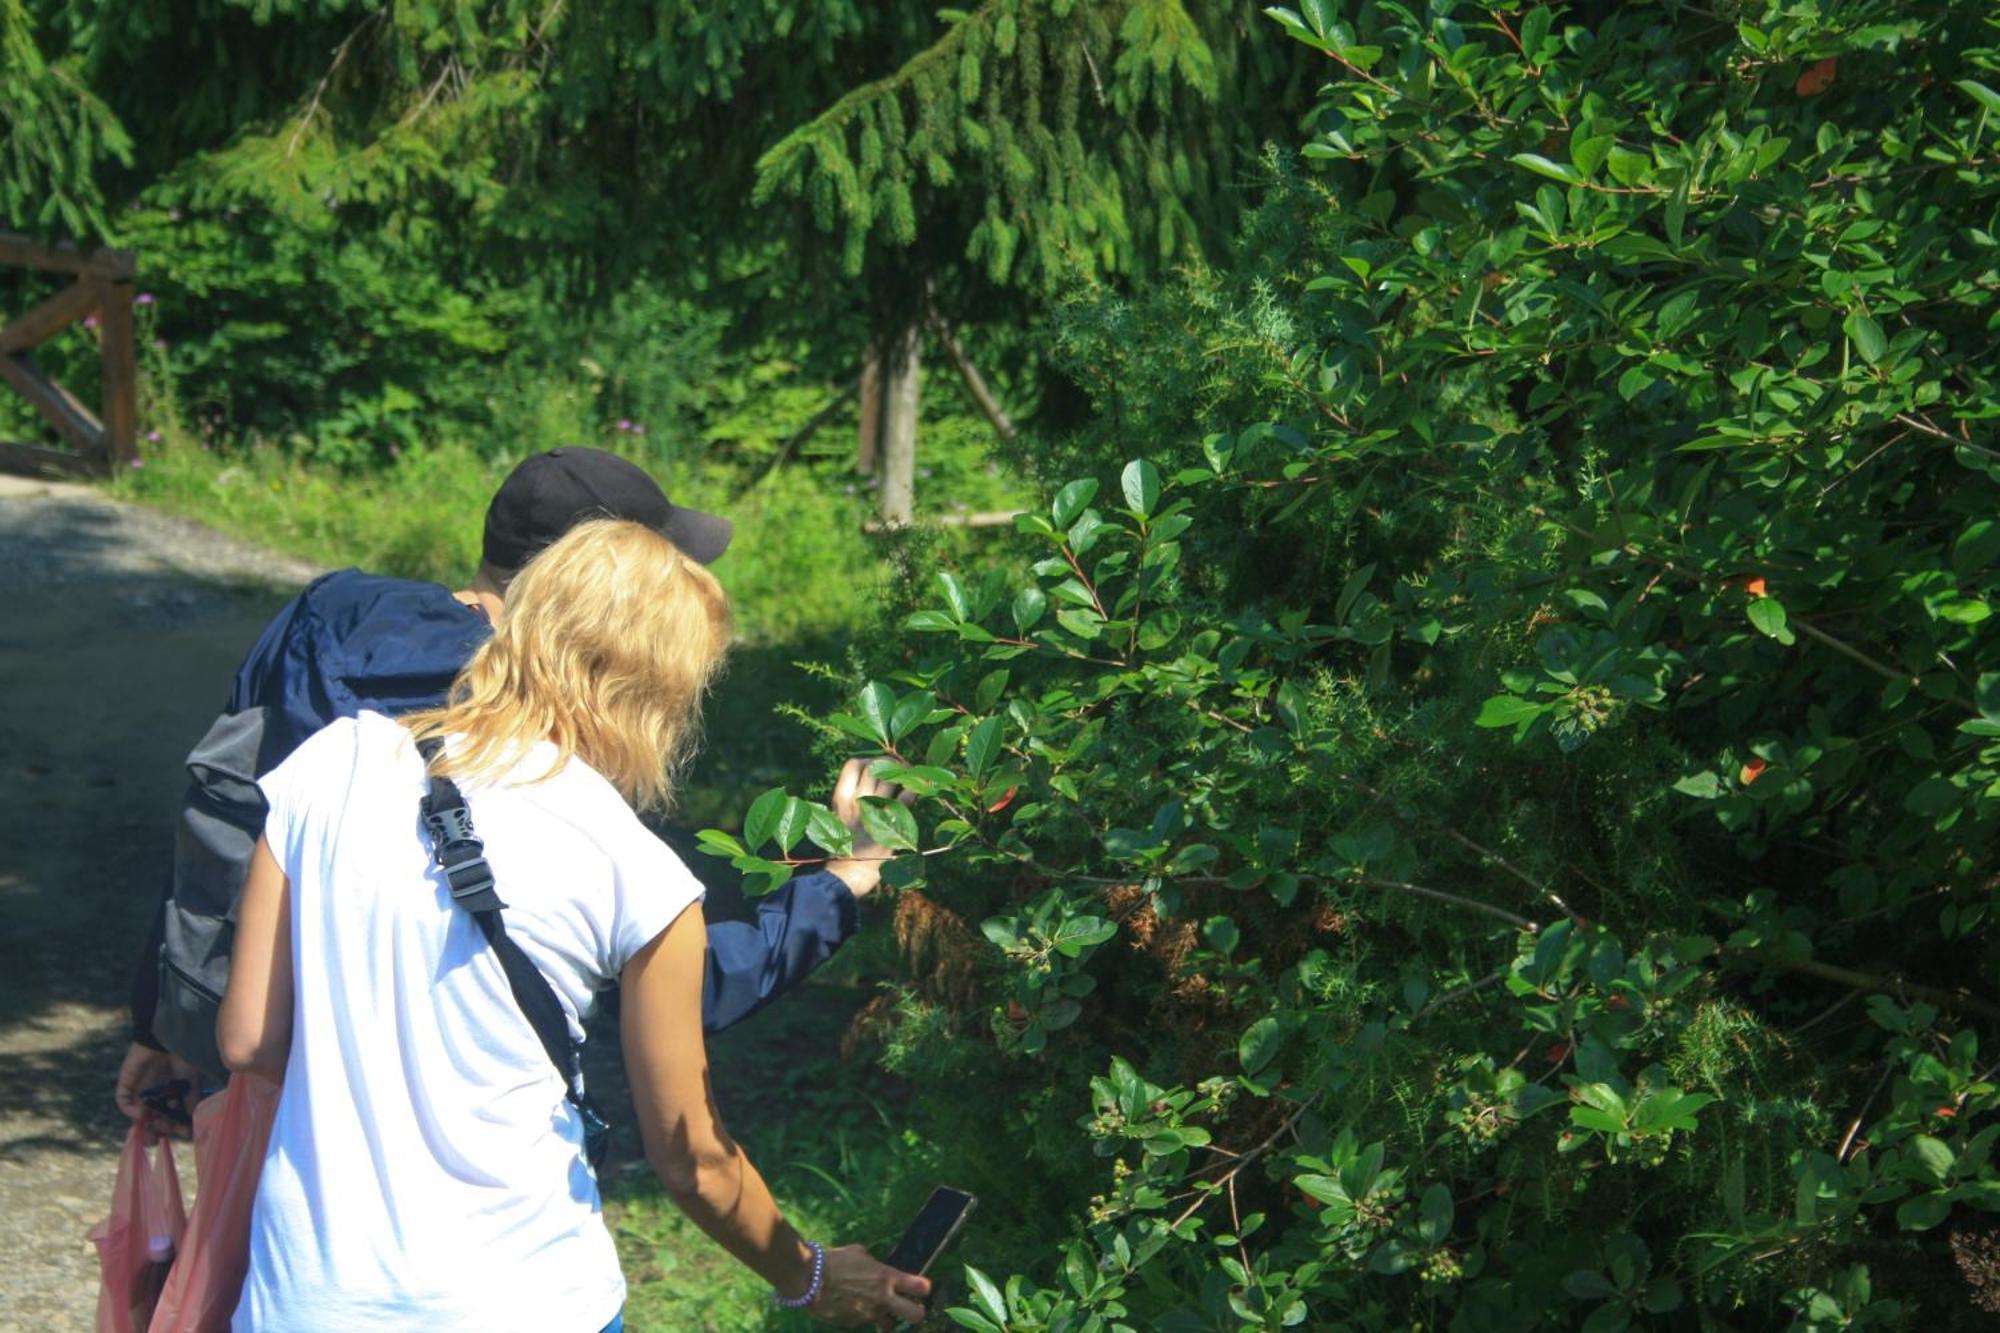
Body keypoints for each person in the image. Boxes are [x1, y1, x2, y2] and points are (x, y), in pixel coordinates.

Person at [214, 519, 930, 1329]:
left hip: (308, 1295)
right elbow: (692, 1159)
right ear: (659, 691)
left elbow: (247, 1039)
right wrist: (812, 1274)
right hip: (523, 1297)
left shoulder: (331, 762)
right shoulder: (633, 866)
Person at [118, 448, 878, 1135]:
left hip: (252, 1053)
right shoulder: (541, 717)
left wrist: (161, 1020)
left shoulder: (327, 611)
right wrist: (839, 880)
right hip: (421, 1119)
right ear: (593, 577)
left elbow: (224, 801)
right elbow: (687, 980)